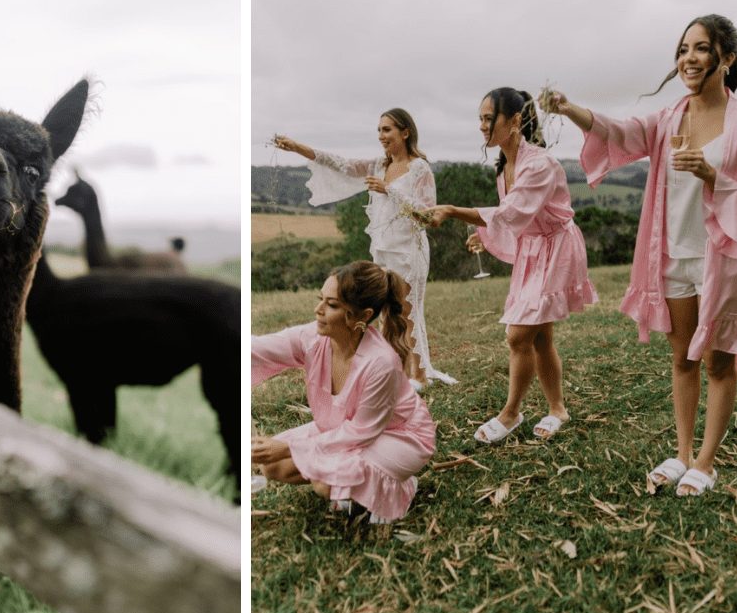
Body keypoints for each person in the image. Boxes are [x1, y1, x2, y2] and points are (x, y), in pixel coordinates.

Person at [539, 14, 737, 497]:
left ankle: (706, 462)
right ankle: (682, 453)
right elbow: (619, 132)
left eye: (701, 48)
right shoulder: (668, 118)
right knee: (684, 359)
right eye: (683, 48)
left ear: (726, 58)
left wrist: (711, 175)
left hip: (723, 260)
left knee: (719, 364)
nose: (688, 57)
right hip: (672, 256)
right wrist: (568, 108)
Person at [419, 87, 597, 443]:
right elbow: (515, 220)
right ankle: (557, 408)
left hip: (556, 249)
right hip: (534, 250)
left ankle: (511, 412)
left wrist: (453, 211)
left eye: (489, 118)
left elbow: (511, 213)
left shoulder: (540, 164)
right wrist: (483, 236)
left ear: (514, 121)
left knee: (518, 335)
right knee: (541, 336)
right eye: (480, 119)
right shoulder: (504, 167)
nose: (482, 126)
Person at [273, 109, 457, 388]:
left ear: (405, 132)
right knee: (384, 314)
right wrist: (298, 147)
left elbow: (429, 216)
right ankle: (392, 371)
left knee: (407, 312)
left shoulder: (420, 168)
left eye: (387, 130)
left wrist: (389, 190)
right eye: (379, 130)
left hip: (408, 250)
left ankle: (419, 376)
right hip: (382, 250)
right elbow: (342, 164)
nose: (381, 136)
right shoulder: (378, 166)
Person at [251, 261, 436, 524]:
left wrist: (288, 446)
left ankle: (401, 488)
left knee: (325, 481)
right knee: (272, 466)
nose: (318, 310)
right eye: (320, 299)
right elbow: (257, 348)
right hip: (341, 428)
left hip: (400, 434)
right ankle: (356, 486)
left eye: (332, 305)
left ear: (362, 316)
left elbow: (361, 431)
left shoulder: (380, 362)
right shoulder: (312, 338)